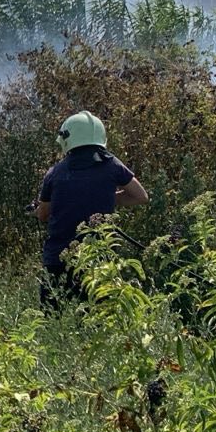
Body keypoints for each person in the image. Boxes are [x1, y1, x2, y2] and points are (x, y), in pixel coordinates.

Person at [30, 111, 149, 311]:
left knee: (54, 318)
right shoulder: (112, 165)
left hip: (58, 260)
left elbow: (43, 215)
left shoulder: (56, 172)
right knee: (98, 319)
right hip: (99, 262)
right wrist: (106, 198)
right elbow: (141, 196)